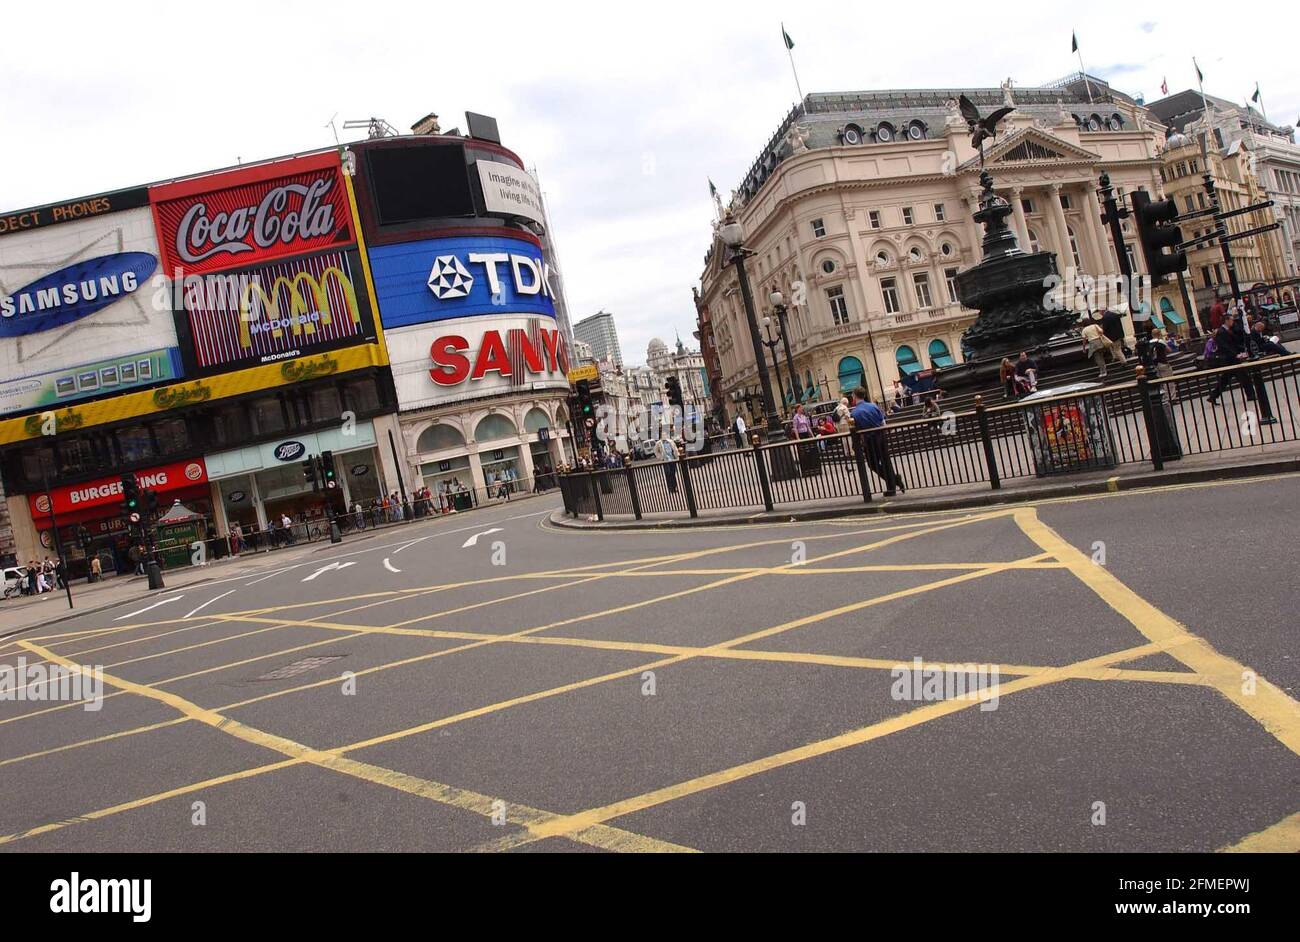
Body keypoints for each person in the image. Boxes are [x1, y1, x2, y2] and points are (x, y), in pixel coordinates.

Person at [1207, 312, 1276, 424]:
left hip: (1232, 357)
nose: (1232, 322)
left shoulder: (1230, 330)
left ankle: (1213, 395)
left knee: (1225, 379)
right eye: (1231, 320)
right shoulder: (1221, 332)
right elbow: (1224, 346)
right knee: (1244, 376)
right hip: (1229, 359)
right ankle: (1251, 395)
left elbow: (1237, 339)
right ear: (1226, 321)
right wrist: (1235, 354)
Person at [849, 387, 904, 496]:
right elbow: (883, 422)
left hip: (869, 440)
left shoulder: (854, 413)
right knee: (886, 461)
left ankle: (893, 481)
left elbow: (856, 431)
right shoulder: (874, 406)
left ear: (855, 396)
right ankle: (892, 485)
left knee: (872, 463)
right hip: (881, 436)